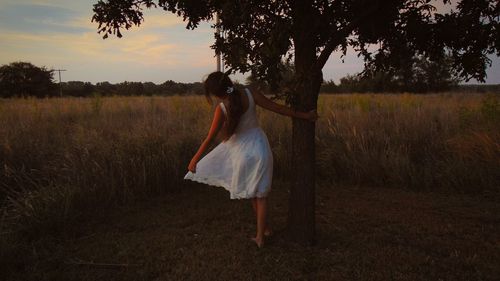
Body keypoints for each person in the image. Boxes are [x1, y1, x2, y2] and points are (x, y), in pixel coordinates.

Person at [184, 71, 317, 248]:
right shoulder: (251, 93)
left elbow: (209, 138)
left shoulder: (222, 108)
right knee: (260, 195)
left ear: (216, 93)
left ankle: (263, 234)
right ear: (229, 82)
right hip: (260, 147)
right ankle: (263, 233)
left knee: (254, 195)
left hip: (241, 154)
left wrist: (194, 159)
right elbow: (278, 108)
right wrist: (305, 116)